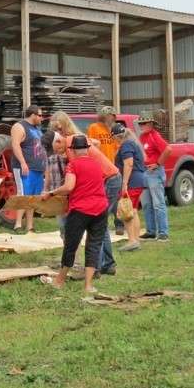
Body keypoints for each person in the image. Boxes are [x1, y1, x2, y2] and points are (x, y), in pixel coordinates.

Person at [52, 110, 119, 275]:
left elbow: (75, 177)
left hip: (109, 179)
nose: (55, 152)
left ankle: (95, 267)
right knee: (100, 225)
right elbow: (95, 144)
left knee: (96, 223)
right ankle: (107, 264)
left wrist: (58, 192)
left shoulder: (71, 144)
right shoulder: (77, 140)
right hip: (111, 177)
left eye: (53, 146)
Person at [40, 134, 108, 293]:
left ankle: (59, 281)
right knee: (94, 246)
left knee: (71, 245)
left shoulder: (73, 165)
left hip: (81, 210)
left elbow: (69, 187)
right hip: (100, 208)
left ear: (74, 150)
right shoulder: (97, 164)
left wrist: (51, 193)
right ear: (87, 149)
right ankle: (88, 285)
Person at [10, 105, 47, 233]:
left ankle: (30, 226)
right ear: (33, 115)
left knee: (32, 197)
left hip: (37, 168)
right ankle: (18, 225)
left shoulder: (37, 129)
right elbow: (15, 145)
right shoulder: (19, 126)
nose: (42, 118)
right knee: (23, 195)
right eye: (40, 115)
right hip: (25, 167)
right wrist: (23, 163)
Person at [88, 106, 125, 236]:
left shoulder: (112, 130)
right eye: (112, 116)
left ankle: (119, 224)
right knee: (105, 198)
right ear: (104, 116)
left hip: (113, 167)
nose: (114, 118)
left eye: (115, 116)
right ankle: (101, 224)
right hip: (100, 169)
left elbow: (117, 146)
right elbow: (91, 146)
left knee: (116, 197)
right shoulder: (94, 128)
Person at [111, 122, 146, 251]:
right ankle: (135, 240)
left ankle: (132, 240)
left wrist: (124, 183)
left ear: (116, 136)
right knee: (134, 211)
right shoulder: (133, 143)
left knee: (126, 212)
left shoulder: (126, 145)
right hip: (139, 181)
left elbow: (129, 164)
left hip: (132, 182)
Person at [137, 111, 171, 241]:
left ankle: (163, 232)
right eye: (140, 123)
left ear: (150, 124)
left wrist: (157, 163)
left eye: (143, 123)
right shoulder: (142, 137)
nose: (141, 125)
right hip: (145, 172)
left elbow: (168, 150)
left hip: (154, 173)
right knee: (146, 204)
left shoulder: (154, 136)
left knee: (158, 203)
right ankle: (151, 231)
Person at [42, 130, 68, 240]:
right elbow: (47, 176)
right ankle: (68, 249)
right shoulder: (50, 158)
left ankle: (71, 252)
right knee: (63, 224)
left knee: (66, 224)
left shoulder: (65, 156)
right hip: (58, 193)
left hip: (64, 192)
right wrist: (45, 190)